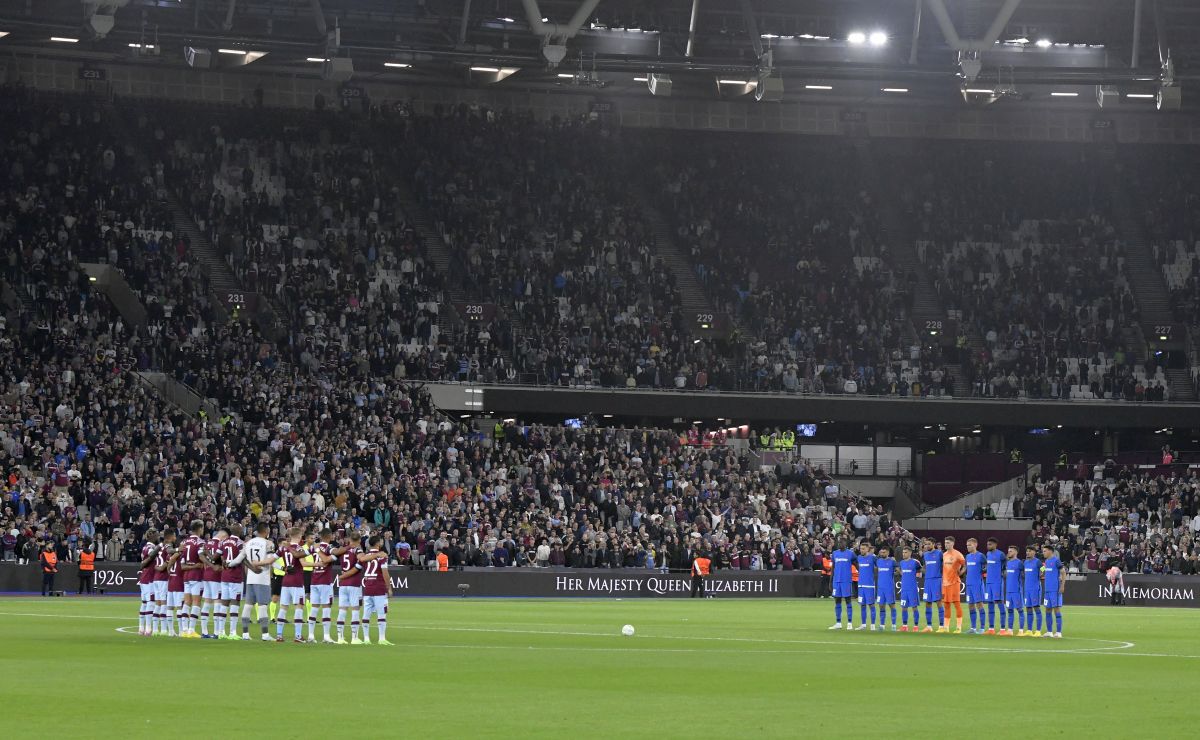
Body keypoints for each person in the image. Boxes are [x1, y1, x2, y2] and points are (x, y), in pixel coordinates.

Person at [235, 523, 276, 641]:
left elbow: (239, 559)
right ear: (266, 531)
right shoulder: (268, 543)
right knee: (262, 606)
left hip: (250, 578)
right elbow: (271, 560)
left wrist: (229, 563)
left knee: (248, 605)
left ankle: (245, 634)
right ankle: (265, 634)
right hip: (262, 578)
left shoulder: (248, 543)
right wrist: (282, 568)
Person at [358, 535, 394, 645]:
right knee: (381, 613)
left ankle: (366, 639)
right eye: (381, 541)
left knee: (366, 613)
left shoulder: (365, 556)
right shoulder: (382, 556)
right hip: (378, 586)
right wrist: (389, 588)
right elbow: (385, 573)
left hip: (368, 586)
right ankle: (381, 638)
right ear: (378, 543)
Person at [275, 527, 307, 643]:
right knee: (299, 607)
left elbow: (272, 561)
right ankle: (298, 636)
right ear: (299, 537)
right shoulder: (299, 549)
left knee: (283, 608)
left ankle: (279, 635)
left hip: (286, 581)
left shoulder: (283, 548)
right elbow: (303, 563)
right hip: (297, 581)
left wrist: (282, 568)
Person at [307, 529, 337, 643]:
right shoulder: (328, 548)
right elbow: (336, 553)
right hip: (325, 581)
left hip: (314, 580)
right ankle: (326, 636)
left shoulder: (314, 548)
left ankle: (310, 636)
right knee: (326, 608)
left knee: (314, 608)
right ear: (329, 536)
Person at [179, 521, 207, 639]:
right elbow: (201, 556)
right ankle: (191, 630)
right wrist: (211, 564)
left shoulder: (184, 542)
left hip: (186, 575)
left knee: (187, 602)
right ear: (200, 529)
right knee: (196, 602)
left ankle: (184, 630)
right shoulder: (200, 542)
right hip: (196, 575)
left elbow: (182, 564)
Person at [335, 532, 365, 644]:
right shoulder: (357, 549)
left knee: (342, 610)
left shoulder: (343, 550)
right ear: (359, 540)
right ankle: (354, 638)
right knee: (355, 610)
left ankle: (340, 637)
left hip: (343, 584)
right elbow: (361, 558)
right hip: (354, 583)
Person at [217, 525, 245, 640]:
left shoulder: (223, 542)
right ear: (239, 531)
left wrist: (224, 561)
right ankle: (233, 632)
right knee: (235, 603)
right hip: (235, 576)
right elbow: (242, 558)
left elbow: (218, 556)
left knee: (224, 603)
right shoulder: (240, 543)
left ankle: (221, 631)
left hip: (225, 575)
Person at [200, 529, 227, 639]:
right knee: (217, 602)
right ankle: (217, 632)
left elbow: (201, 556)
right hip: (216, 576)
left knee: (207, 602)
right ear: (223, 535)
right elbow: (222, 559)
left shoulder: (207, 543)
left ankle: (204, 632)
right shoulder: (220, 544)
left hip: (206, 575)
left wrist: (209, 565)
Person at [150, 531, 177, 636]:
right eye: (174, 536)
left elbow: (153, 558)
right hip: (163, 578)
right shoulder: (168, 547)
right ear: (170, 537)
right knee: (164, 604)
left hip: (156, 578)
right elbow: (167, 562)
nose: (175, 538)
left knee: (158, 604)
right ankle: (165, 630)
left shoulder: (159, 547)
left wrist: (157, 568)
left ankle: (156, 630)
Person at [828, 538, 856, 630]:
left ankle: (849, 623)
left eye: (842, 542)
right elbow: (833, 568)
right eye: (839, 542)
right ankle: (838, 622)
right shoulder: (835, 554)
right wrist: (830, 581)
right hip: (836, 581)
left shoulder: (850, 553)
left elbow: (857, 563)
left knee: (848, 601)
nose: (840, 543)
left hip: (846, 581)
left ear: (846, 543)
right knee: (837, 601)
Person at [940, 536, 965, 633]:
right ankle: (946, 627)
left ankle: (959, 627)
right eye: (945, 543)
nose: (946, 544)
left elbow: (965, 564)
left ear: (953, 543)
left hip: (954, 582)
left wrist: (961, 572)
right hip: (945, 583)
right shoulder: (944, 554)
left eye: (948, 543)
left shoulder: (958, 554)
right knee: (946, 604)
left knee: (956, 604)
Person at [137, 530, 160, 636]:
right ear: (152, 536)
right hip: (149, 578)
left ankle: (141, 628)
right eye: (157, 535)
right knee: (150, 603)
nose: (158, 536)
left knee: (145, 603)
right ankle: (148, 629)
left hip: (144, 577)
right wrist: (159, 546)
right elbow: (151, 555)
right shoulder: (150, 547)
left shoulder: (145, 546)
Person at [983, 537, 1007, 635]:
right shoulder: (987, 554)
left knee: (1000, 603)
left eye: (990, 544)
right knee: (990, 605)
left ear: (995, 545)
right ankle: (991, 629)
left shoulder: (1001, 554)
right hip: (988, 583)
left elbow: (1006, 565)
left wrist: (1003, 572)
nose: (988, 546)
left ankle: (1002, 629)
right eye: (987, 544)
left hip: (997, 582)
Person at [1041, 545, 1065, 638]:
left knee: (1056, 609)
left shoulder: (1056, 561)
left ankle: (1059, 632)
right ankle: (1049, 631)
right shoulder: (1046, 562)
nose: (1043, 553)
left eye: (1045, 551)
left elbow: (1063, 572)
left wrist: (1062, 585)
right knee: (1047, 609)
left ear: (1050, 551)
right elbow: (1042, 570)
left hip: (1055, 589)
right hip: (1047, 589)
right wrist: (1039, 571)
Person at [963, 538, 986, 634]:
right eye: (967, 545)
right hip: (969, 584)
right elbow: (966, 568)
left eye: (970, 545)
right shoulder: (967, 557)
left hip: (977, 584)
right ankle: (973, 628)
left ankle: (982, 628)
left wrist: (983, 573)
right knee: (970, 605)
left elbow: (987, 566)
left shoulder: (981, 556)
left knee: (979, 604)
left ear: (975, 545)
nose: (968, 547)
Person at [920, 539, 943, 633]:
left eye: (929, 544)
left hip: (937, 580)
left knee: (938, 602)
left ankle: (942, 626)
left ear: (933, 544)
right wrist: (924, 571)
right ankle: (929, 626)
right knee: (928, 602)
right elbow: (924, 566)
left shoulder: (939, 553)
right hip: (927, 581)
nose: (927, 546)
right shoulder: (925, 555)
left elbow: (945, 565)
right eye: (926, 544)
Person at [897, 546, 922, 632]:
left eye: (905, 552)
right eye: (903, 552)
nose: (903, 554)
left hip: (912, 589)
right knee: (904, 607)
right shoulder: (901, 563)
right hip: (904, 589)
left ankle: (916, 626)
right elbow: (901, 572)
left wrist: (916, 578)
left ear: (910, 553)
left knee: (914, 607)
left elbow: (920, 572)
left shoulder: (915, 562)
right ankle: (905, 626)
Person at [854, 541, 877, 631]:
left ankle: (872, 625)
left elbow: (880, 564)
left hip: (869, 586)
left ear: (868, 549)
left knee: (871, 605)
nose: (861, 550)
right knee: (862, 605)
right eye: (860, 549)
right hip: (861, 585)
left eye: (863, 549)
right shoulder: (859, 558)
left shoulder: (873, 558)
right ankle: (863, 625)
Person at [1022, 545, 1044, 636]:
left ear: (1034, 552)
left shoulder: (1037, 562)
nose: (1028, 553)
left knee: (1036, 608)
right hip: (1027, 588)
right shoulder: (1025, 562)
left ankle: (1038, 631)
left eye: (1030, 551)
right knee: (1028, 608)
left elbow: (1043, 569)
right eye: (1027, 551)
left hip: (1035, 588)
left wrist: (1040, 575)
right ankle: (1029, 630)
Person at [874, 545, 897, 631]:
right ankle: (882, 625)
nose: (882, 554)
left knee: (892, 606)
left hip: (889, 588)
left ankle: (894, 625)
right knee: (881, 606)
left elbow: (899, 569)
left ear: (887, 552)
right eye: (881, 552)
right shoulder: (878, 561)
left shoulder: (892, 561)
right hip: (880, 588)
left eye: (884, 552)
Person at [1003, 545, 1024, 636]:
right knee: (1010, 610)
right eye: (1008, 551)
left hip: (1017, 591)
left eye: (1011, 551)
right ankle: (1010, 630)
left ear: (1016, 552)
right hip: (1008, 591)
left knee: (1020, 610)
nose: (1009, 553)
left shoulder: (1019, 563)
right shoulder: (1007, 563)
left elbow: (1026, 573)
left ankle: (1021, 631)